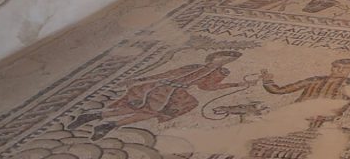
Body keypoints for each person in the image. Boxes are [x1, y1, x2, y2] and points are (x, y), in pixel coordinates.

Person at [67, 50, 248, 140]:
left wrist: (237, 84)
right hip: (161, 87)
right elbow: (166, 75)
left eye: (230, 60)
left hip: (178, 92)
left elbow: (207, 88)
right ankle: (98, 117)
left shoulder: (219, 73)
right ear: (214, 57)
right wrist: (141, 79)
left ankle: (106, 123)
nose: (225, 61)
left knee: (153, 112)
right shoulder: (193, 67)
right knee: (137, 106)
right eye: (224, 58)